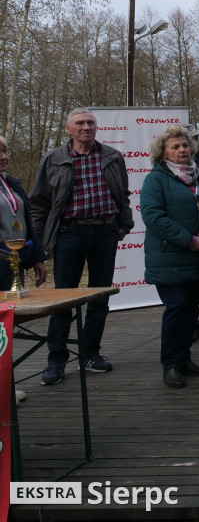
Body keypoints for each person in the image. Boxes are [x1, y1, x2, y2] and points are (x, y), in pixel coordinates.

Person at [30, 108, 134, 385]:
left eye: (90, 122)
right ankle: (56, 360)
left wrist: (124, 224)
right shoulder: (53, 159)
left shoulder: (112, 156)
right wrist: (40, 242)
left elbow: (122, 194)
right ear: (68, 128)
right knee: (63, 300)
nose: (86, 127)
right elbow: (39, 203)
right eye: (80, 123)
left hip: (104, 231)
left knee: (100, 297)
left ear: (97, 127)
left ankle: (91, 354)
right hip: (69, 233)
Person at [141, 125, 199, 388]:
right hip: (170, 257)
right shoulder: (156, 178)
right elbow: (153, 216)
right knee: (177, 308)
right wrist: (187, 240)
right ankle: (170, 365)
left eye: (185, 145)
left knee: (191, 310)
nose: (182, 150)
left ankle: (184, 359)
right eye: (175, 147)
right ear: (163, 152)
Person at [0, 135, 46, 292]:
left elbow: (29, 225)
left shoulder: (13, 185)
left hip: (14, 260)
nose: (4, 157)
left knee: (12, 312)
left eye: (5, 151)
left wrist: (37, 259)